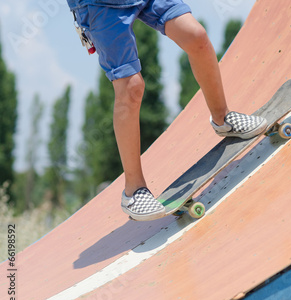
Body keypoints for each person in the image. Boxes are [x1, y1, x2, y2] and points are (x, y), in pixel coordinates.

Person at [67, 0, 267, 221]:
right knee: (131, 86)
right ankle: (134, 191)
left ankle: (223, 119)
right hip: (101, 6)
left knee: (196, 36)